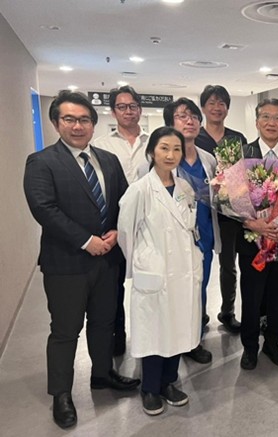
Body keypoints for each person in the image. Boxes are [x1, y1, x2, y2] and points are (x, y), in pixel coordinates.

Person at [23, 90, 140, 429]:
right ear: (56, 123)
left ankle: (102, 374)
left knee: (104, 322)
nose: (78, 126)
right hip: (66, 263)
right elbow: (44, 209)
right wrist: (87, 241)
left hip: (107, 259)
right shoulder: (42, 162)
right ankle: (61, 394)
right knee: (65, 330)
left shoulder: (108, 159)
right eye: (69, 119)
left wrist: (117, 231)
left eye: (84, 119)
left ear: (93, 123)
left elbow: (123, 202)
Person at [117, 126, 203, 416]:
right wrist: (143, 262)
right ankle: (150, 388)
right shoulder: (140, 190)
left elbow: (190, 227)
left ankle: (168, 382)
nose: (170, 154)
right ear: (152, 151)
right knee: (155, 331)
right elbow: (125, 233)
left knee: (178, 328)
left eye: (176, 149)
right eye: (164, 148)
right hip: (156, 272)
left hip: (184, 271)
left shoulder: (185, 188)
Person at [238, 98, 278, 370]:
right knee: (252, 297)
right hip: (252, 243)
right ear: (257, 122)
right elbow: (227, 200)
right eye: (266, 117)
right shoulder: (241, 156)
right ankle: (250, 347)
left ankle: (273, 343)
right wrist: (250, 223)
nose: (271, 122)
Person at [94, 85, 150, 356]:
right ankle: (118, 340)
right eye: (122, 106)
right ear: (113, 111)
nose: (128, 111)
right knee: (113, 288)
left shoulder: (154, 142)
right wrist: (116, 227)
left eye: (132, 106)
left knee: (149, 285)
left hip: (149, 226)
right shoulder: (100, 145)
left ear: (140, 109)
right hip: (112, 227)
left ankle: (149, 340)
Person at [163, 97, 218, 364]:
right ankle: (174, 339)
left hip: (204, 238)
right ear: (170, 124)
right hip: (173, 241)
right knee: (176, 291)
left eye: (194, 116)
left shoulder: (209, 159)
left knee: (199, 288)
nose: (190, 121)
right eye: (182, 116)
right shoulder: (160, 160)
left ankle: (193, 339)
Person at [195, 85, 248, 333]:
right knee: (199, 264)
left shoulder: (237, 138)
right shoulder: (194, 137)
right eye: (212, 103)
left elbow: (245, 174)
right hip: (200, 212)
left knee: (229, 264)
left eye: (222, 103)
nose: (217, 108)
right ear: (203, 107)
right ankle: (198, 313)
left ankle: (227, 311)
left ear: (227, 108)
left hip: (229, 212)